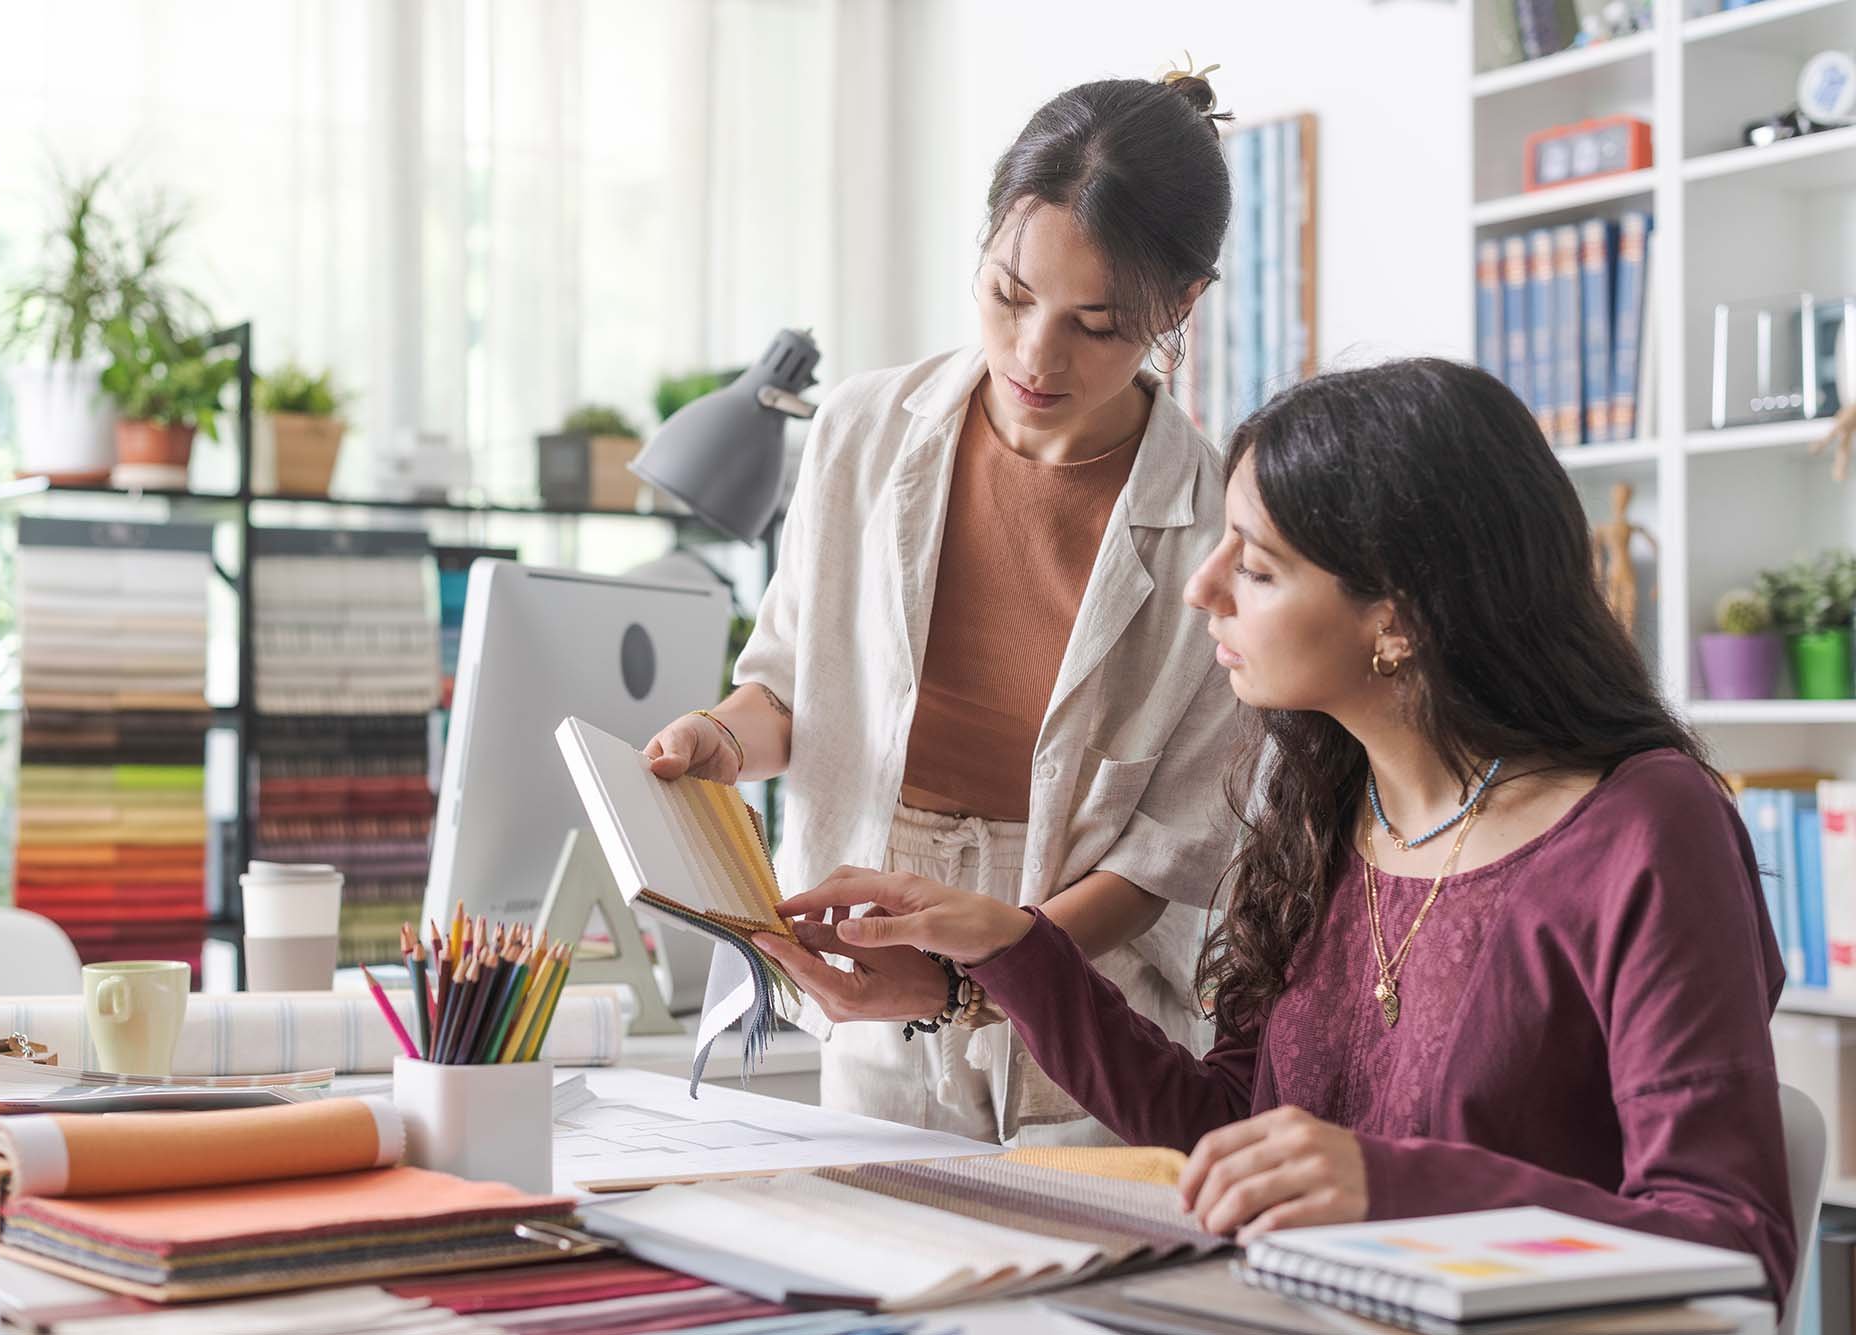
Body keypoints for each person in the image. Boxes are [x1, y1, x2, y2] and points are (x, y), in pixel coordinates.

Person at [756, 358, 1798, 1310]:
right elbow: (1221, 1137)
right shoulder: (1320, 809)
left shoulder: (1643, 829)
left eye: (1254, 568)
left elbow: (1728, 1235)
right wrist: (1012, 950)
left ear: (1399, 618)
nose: (1203, 588)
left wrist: (1388, 1185)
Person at [643, 65, 1242, 1145]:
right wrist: (717, 743)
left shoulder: (1216, 524)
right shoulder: (862, 432)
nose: (1033, 355)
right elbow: (785, 686)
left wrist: (985, 975)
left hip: (1081, 997)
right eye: (1010, 295)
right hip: (870, 968)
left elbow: (1159, 858)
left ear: (1178, 306)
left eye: (1094, 326)